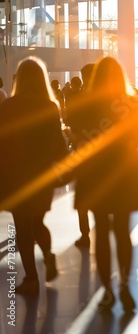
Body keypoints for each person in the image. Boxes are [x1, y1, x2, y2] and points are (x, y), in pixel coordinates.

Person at [72, 57, 138, 312]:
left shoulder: (85, 104)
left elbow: (76, 135)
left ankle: (106, 291)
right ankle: (124, 287)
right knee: (123, 232)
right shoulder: (131, 102)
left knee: (101, 231)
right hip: (123, 171)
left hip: (95, 173)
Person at [0, 56, 68, 295]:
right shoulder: (49, 107)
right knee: (38, 221)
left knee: (22, 226)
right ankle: (48, 255)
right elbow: (59, 146)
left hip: (14, 176)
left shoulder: (7, 107)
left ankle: (31, 279)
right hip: (42, 176)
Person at [64, 63, 95, 248]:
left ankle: (85, 234)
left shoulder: (77, 97)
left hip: (82, 152)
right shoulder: (107, 98)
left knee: (83, 194)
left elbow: (71, 122)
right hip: (103, 154)